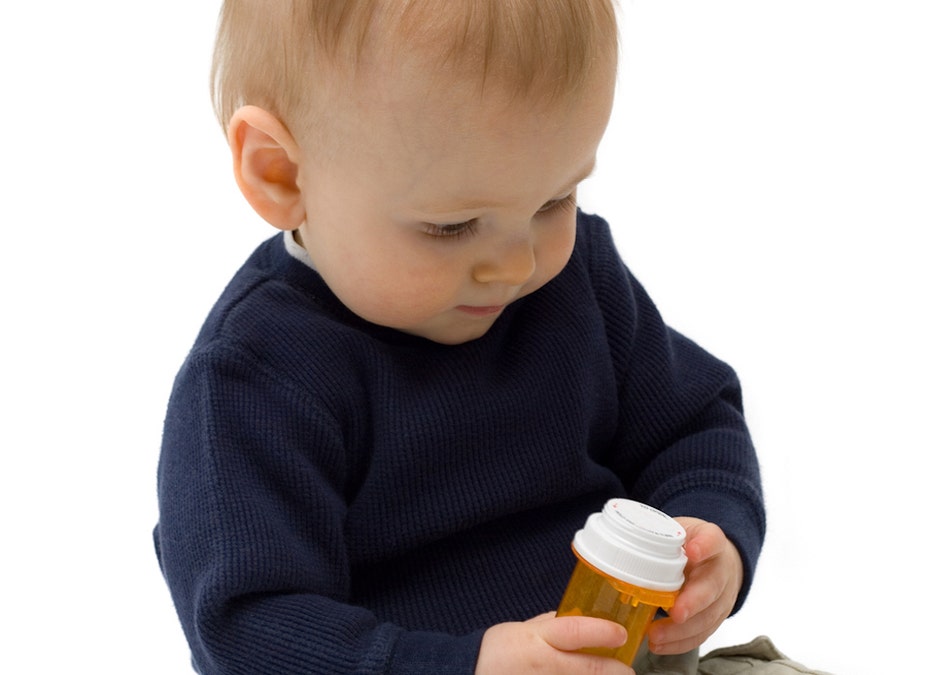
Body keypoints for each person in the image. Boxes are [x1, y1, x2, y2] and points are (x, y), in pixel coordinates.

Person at [154, 2, 785, 673]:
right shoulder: (255, 380)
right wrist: (464, 664)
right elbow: (250, 630)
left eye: (552, 202)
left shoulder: (573, 284)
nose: (516, 265)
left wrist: (713, 534)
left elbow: (693, 424)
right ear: (282, 173)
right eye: (451, 227)